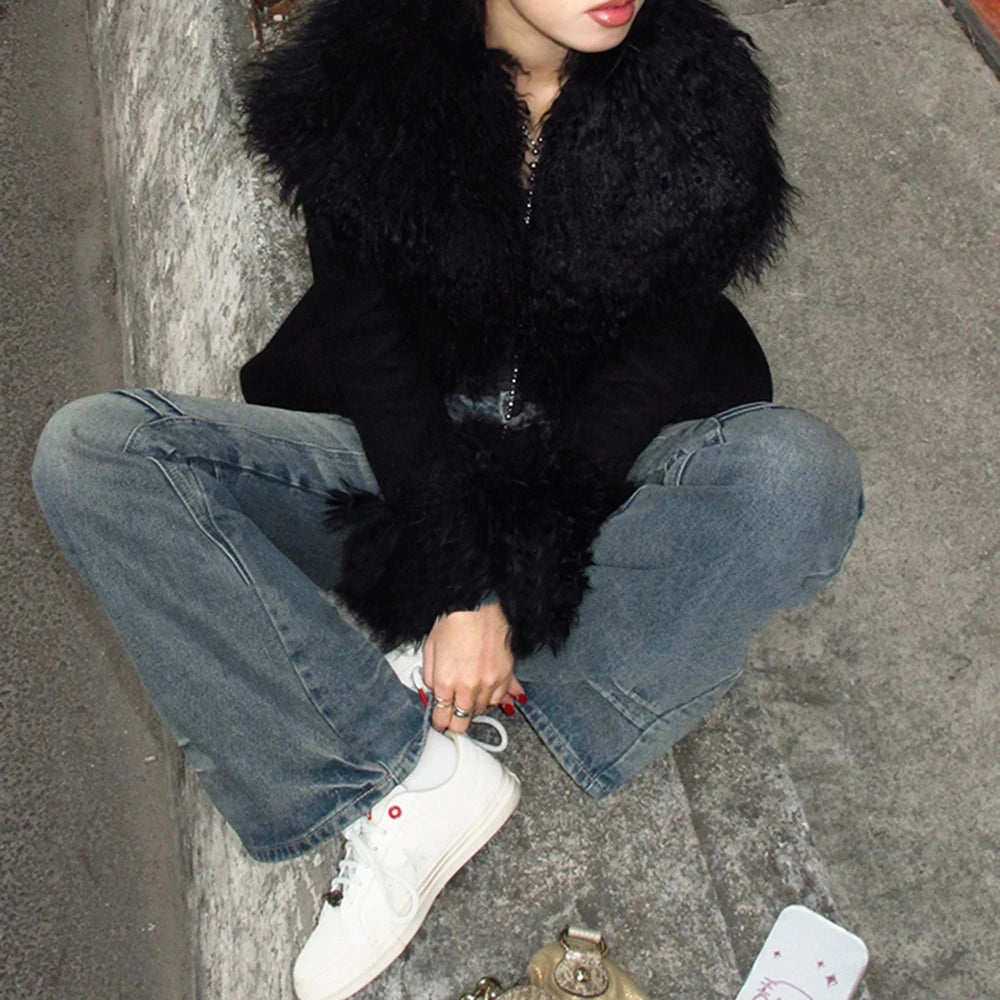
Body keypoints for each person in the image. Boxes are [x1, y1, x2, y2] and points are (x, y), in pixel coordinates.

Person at [31, 0, 864, 998]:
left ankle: (527, 696)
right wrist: (460, 582)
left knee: (797, 473)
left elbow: (645, 378)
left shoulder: (695, 94)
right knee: (96, 452)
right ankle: (394, 774)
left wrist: (517, 581)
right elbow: (374, 359)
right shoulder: (368, 80)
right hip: (397, 460)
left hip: (592, 478)